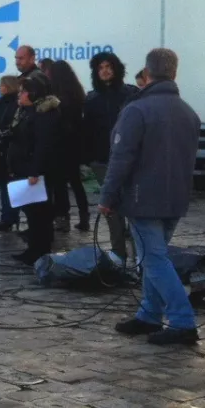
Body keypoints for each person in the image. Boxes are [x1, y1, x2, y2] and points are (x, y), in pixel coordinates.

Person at [103, 48, 201, 346]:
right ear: (174, 72)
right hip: (175, 198)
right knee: (154, 258)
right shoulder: (188, 112)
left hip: (143, 198)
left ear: (146, 74)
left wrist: (107, 197)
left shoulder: (137, 111)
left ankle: (183, 321)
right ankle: (149, 313)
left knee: (154, 259)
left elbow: (121, 158)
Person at [83, 52, 138, 260]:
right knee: (110, 209)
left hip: (127, 159)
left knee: (132, 208)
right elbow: (86, 131)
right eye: (101, 68)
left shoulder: (129, 94)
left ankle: (138, 254)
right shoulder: (91, 98)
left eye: (109, 67)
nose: (105, 71)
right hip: (101, 159)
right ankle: (118, 252)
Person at [8, 72, 62, 265]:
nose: (20, 95)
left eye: (23, 92)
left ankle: (40, 250)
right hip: (24, 166)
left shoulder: (45, 115)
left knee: (40, 213)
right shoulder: (27, 112)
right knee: (32, 212)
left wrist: (34, 171)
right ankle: (34, 248)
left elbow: (42, 146)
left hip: (38, 171)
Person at [47, 60, 90, 232]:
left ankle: (62, 217)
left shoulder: (57, 97)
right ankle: (84, 216)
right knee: (76, 182)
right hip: (75, 143)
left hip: (60, 143)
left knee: (59, 183)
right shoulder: (77, 92)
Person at [0, 75, 22, 231]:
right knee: (4, 185)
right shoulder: (1, 102)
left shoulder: (14, 103)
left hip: (9, 149)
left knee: (9, 184)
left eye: (1, 85)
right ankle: (7, 216)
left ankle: (9, 217)